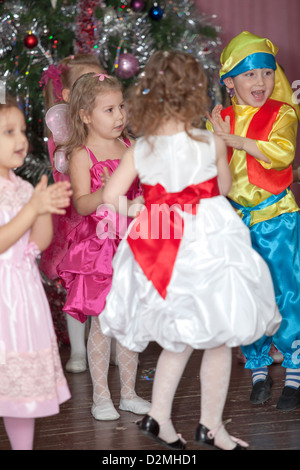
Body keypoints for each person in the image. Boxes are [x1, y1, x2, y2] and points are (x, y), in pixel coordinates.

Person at [99, 50, 281, 450]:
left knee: (178, 340)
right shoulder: (207, 141)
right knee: (217, 341)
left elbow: (111, 197)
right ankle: (210, 426)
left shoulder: (141, 149)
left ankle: (159, 416)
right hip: (206, 250)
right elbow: (225, 190)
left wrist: (140, 207)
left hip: (162, 248)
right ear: (196, 95)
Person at [206, 31, 300, 411]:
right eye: (249, 75)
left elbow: (282, 153)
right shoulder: (220, 119)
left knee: (285, 290)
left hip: (277, 219)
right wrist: (216, 140)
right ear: (229, 81)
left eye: (265, 72)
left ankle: (294, 366)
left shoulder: (283, 113)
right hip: (237, 224)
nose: (259, 82)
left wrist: (234, 141)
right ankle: (258, 367)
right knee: (246, 294)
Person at [56, 72, 150, 421]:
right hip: (99, 248)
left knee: (129, 322)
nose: (120, 116)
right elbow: (81, 204)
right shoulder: (82, 153)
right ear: (84, 115)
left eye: (121, 107)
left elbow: (142, 190)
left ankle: (128, 393)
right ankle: (101, 397)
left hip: (132, 243)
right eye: (109, 110)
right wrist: (107, 193)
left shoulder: (130, 146)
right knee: (104, 323)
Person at [0, 96, 72, 450]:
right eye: (8, 132)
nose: (21, 140)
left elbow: (37, 242)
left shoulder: (23, 187)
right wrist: (32, 209)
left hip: (21, 299)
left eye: (22, 131)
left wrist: (44, 208)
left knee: (19, 392)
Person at [39, 54, 106, 374]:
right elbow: (64, 163)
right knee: (76, 284)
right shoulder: (63, 130)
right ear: (66, 95)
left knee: (107, 281)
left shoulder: (107, 124)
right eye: (86, 83)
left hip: (105, 218)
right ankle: (79, 349)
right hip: (75, 222)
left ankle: (106, 345)